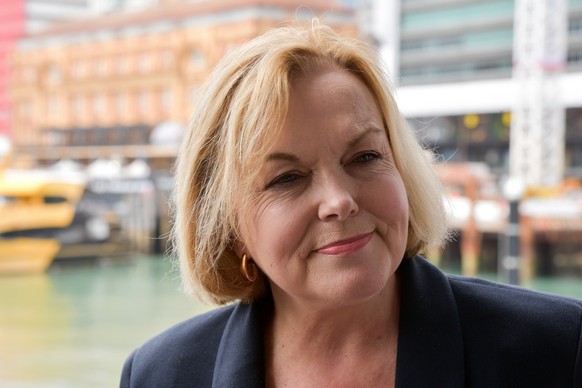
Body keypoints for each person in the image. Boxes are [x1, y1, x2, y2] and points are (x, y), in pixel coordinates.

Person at [120, 22, 582, 387]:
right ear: (229, 225)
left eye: (364, 157)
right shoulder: (158, 376)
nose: (339, 201)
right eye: (287, 178)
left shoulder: (555, 350)